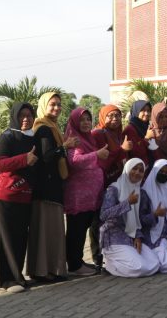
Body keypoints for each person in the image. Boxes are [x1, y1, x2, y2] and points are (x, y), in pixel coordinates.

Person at [0, 102, 38, 293]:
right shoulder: (7, 137)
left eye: (29, 115)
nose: (25, 119)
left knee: (19, 237)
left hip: (23, 195)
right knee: (5, 237)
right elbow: (0, 164)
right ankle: (6, 279)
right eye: (21, 115)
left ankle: (13, 275)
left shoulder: (31, 137)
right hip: (4, 195)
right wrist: (24, 159)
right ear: (14, 116)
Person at [27, 92, 77, 281]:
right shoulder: (43, 129)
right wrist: (65, 146)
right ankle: (43, 271)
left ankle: (50, 269)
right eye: (52, 104)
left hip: (51, 186)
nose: (56, 108)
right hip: (46, 188)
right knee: (46, 230)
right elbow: (47, 156)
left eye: (58, 105)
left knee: (51, 229)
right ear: (44, 106)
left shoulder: (52, 127)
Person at [99, 158, 161, 277]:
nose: (137, 173)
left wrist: (138, 235)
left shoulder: (140, 193)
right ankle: (109, 265)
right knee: (139, 267)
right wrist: (127, 203)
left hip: (131, 237)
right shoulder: (113, 189)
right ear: (127, 169)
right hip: (114, 237)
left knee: (155, 263)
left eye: (141, 170)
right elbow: (104, 215)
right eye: (134, 169)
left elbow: (139, 220)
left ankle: (116, 263)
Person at [63, 108, 105, 277]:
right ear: (75, 122)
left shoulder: (88, 139)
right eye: (82, 120)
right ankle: (74, 265)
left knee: (81, 229)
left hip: (89, 197)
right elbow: (75, 161)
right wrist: (97, 154)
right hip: (78, 197)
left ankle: (78, 261)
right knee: (76, 231)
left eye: (88, 119)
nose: (86, 122)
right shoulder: (75, 139)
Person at [91, 104, 132, 269]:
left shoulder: (119, 135)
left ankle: (110, 253)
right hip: (103, 184)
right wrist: (121, 151)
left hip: (118, 182)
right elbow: (102, 162)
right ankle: (97, 257)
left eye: (117, 116)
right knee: (98, 221)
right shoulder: (98, 134)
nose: (114, 119)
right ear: (102, 117)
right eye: (110, 116)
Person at [123, 100, 160, 172]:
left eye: (148, 110)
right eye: (143, 110)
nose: (146, 113)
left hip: (149, 167)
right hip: (136, 171)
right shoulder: (130, 129)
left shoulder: (146, 126)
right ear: (136, 111)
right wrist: (146, 138)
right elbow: (134, 152)